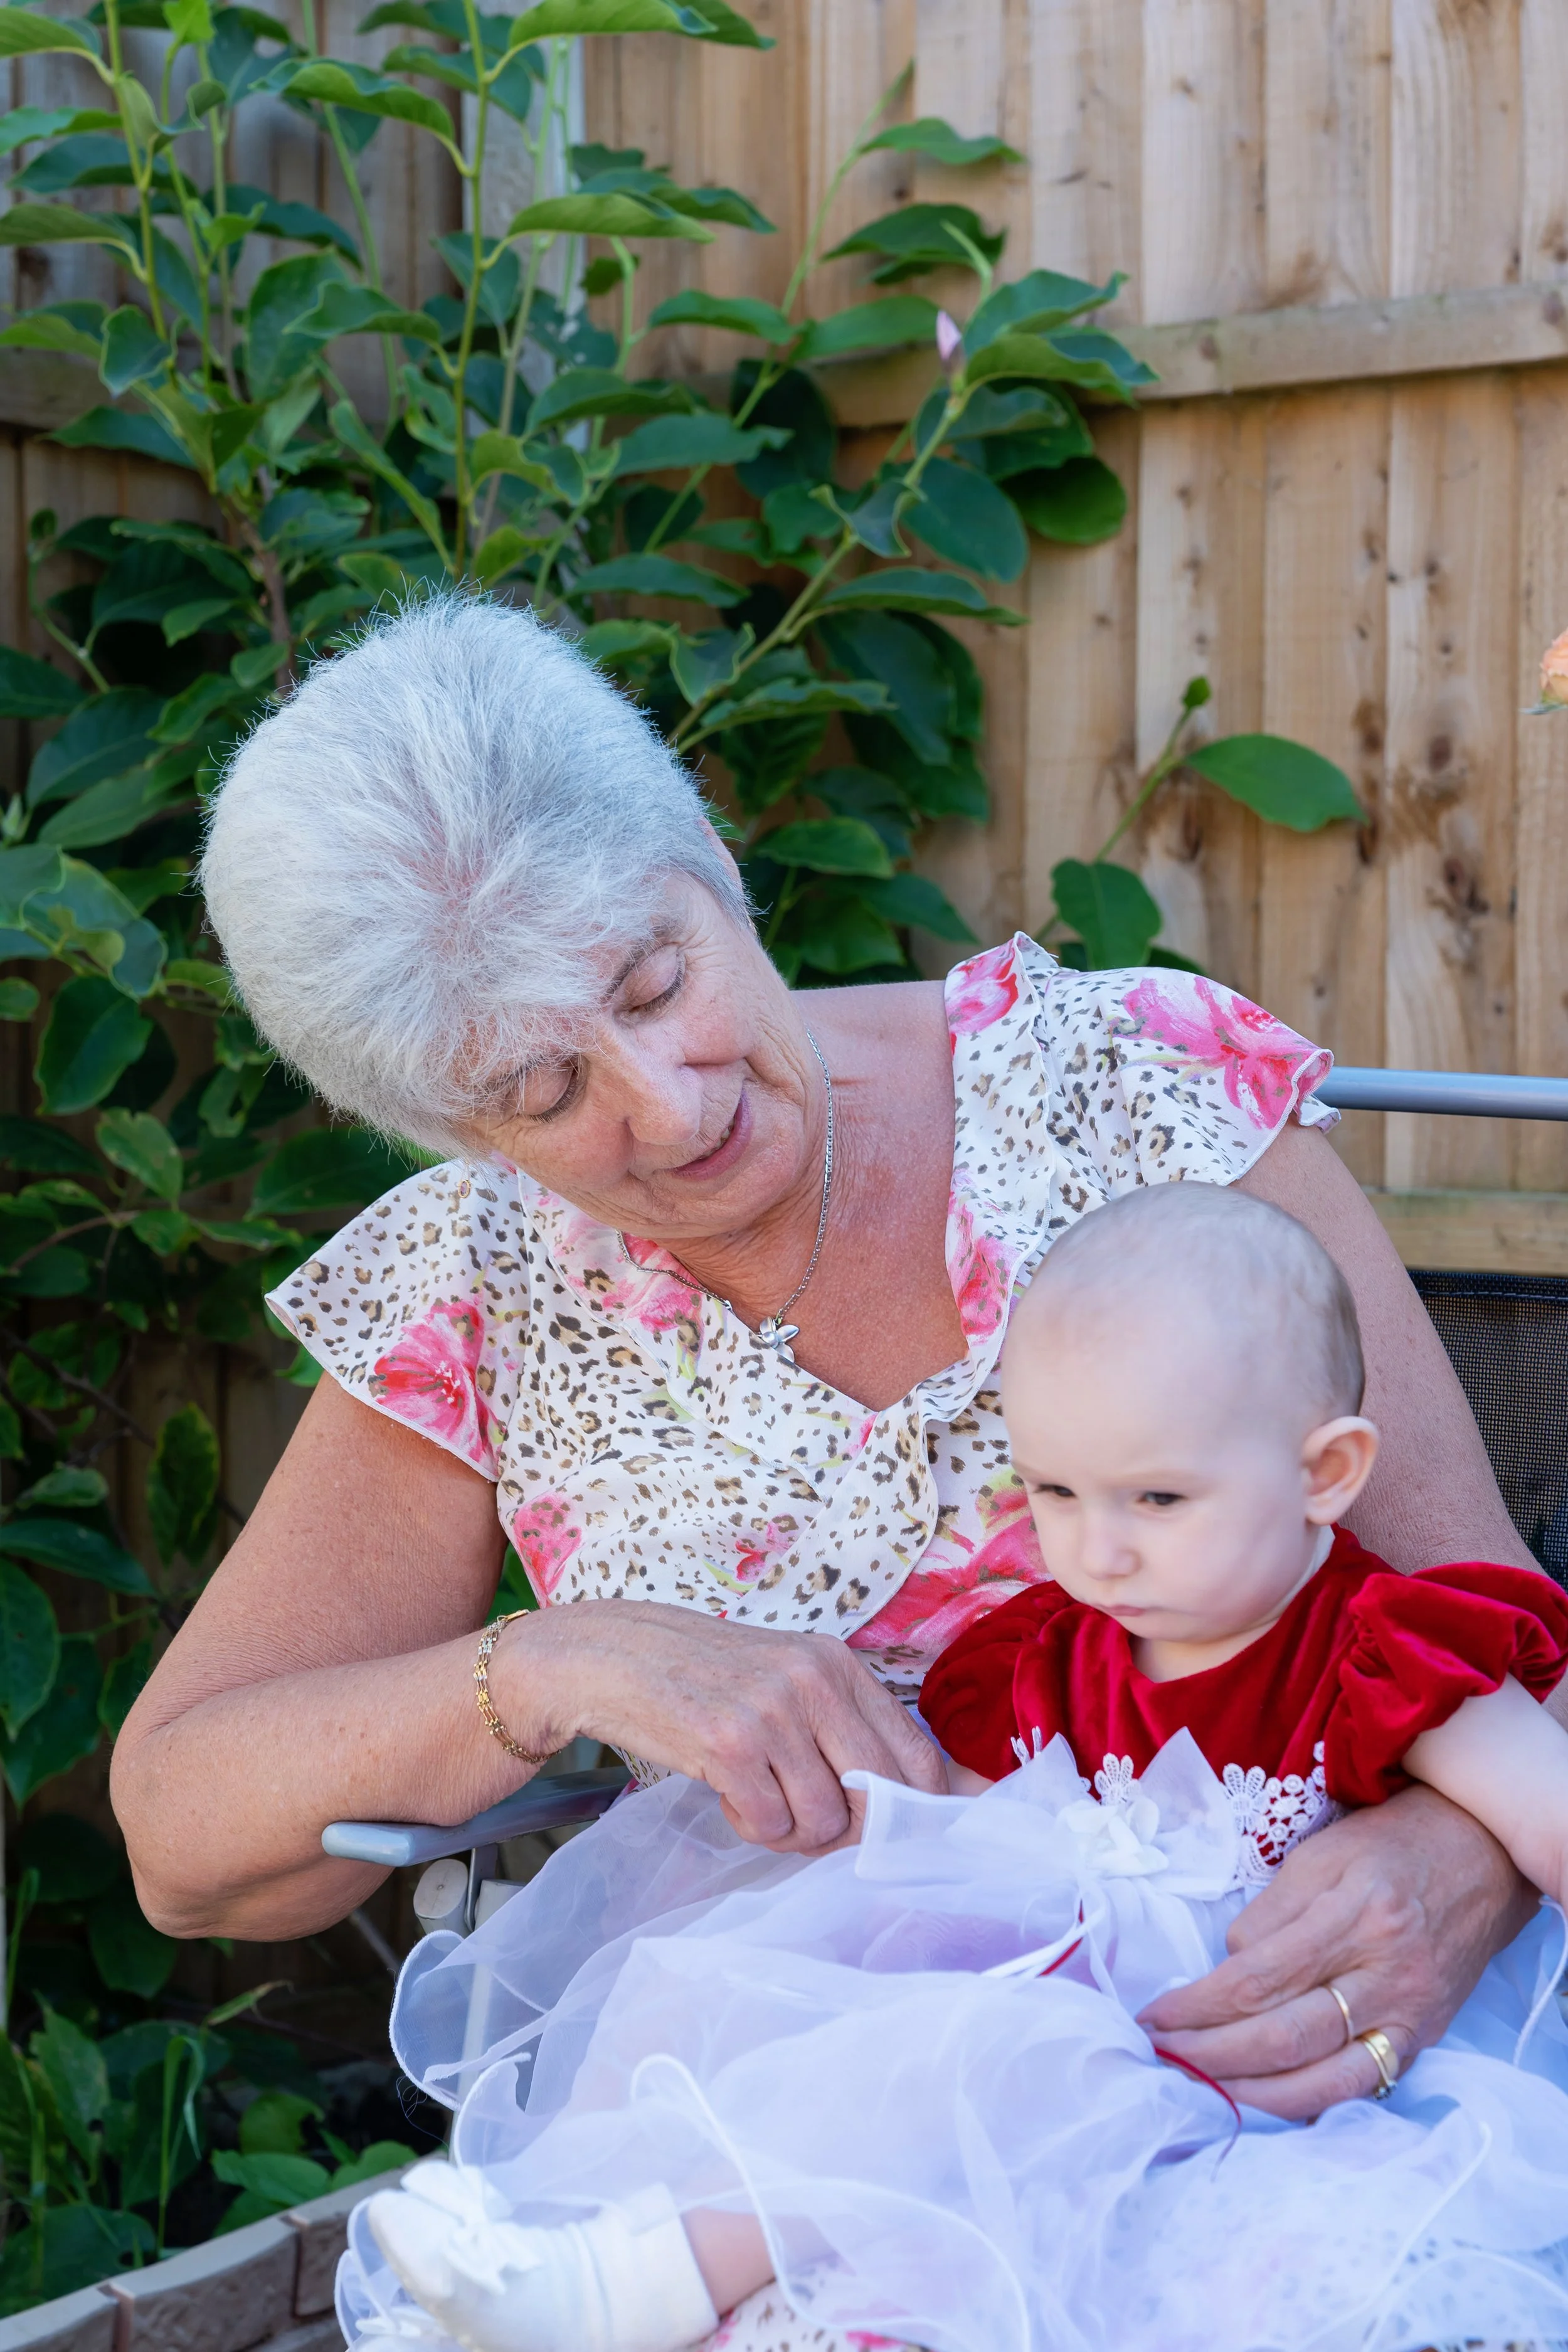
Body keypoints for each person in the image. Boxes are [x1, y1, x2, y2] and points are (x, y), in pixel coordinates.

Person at [109, 594, 1548, 2352]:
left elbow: (1492, 1618)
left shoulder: (1126, 1082)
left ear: (708, 852)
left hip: (1281, 2016)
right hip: (782, 2107)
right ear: (453, 1128)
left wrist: (1462, 1857)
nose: (669, 1099)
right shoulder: (475, 1283)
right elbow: (183, 1833)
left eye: (656, 977)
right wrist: (566, 1658)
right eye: (545, 1087)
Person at [351, 1185, 1568, 2352]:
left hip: (1248, 2071)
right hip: (1073, 2037)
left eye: (1156, 1497)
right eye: (1053, 1491)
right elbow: (969, 1842)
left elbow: (1547, 1812)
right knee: (768, 1990)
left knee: (987, 2063)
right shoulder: (1045, 1655)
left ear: (1324, 1473)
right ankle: (559, 2243)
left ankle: (623, 2293)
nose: (1098, 1548)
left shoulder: (1373, 1651)